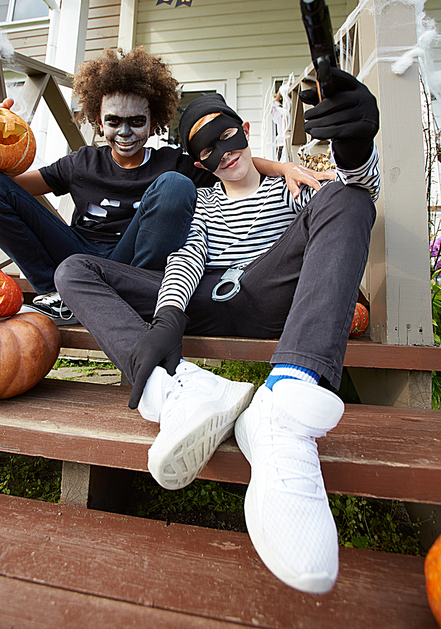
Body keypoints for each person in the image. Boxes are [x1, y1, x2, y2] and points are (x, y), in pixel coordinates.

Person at [54, 67, 380, 595]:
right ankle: (176, 388)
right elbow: (188, 256)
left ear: (244, 129)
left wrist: (357, 147)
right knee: (74, 270)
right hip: (208, 300)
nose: (222, 153)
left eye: (226, 136)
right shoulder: (203, 203)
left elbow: (354, 191)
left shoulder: (288, 186)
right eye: (205, 148)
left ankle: (287, 398)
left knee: (348, 198)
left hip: (270, 294)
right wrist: (168, 318)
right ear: (196, 158)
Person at [0, 46, 329, 324]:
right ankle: (56, 293)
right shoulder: (81, 163)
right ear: (99, 122)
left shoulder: (172, 163)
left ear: (153, 123)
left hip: (135, 266)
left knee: (175, 185)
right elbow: (6, 189)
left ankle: (134, 297)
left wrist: (282, 168)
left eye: (136, 121)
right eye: (114, 121)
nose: (126, 132)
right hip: (78, 256)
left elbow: (229, 163)